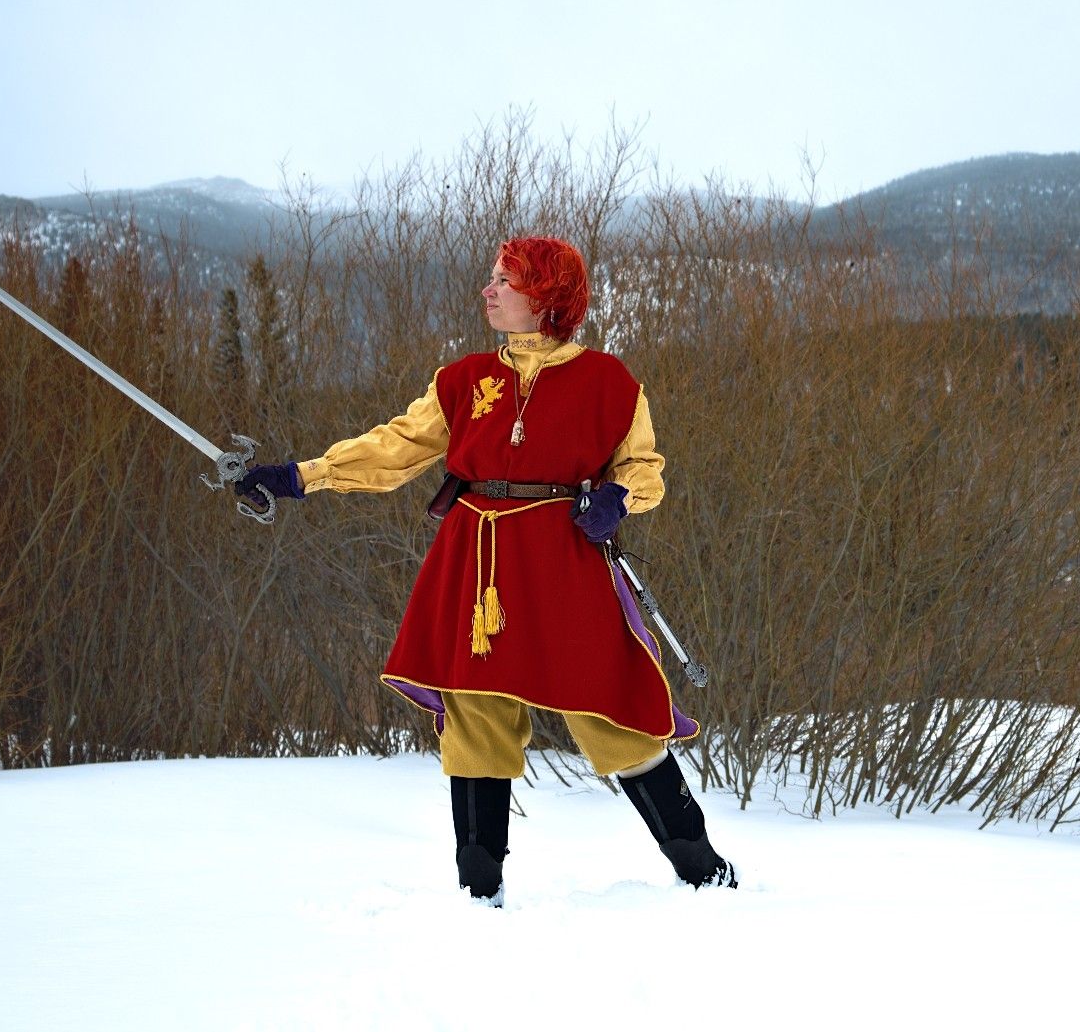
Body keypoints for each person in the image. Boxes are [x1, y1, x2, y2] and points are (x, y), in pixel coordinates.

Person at [235, 236, 735, 905]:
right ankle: (480, 892)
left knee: (613, 708)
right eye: (492, 276)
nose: (488, 288)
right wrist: (300, 476)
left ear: (546, 295)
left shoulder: (610, 383)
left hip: (563, 565)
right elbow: (395, 448)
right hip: (477, 566)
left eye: (505, 279)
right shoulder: (464, 379)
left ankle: (705, 872)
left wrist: (619, 497)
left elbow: (644, 469)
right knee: (473, 714)